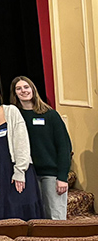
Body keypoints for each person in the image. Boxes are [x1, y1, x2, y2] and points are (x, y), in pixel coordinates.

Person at [0, 79, 44, 220]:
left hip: (20, 170)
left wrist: (19, 171)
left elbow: (22, 142)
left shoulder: (12, 111)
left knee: (23, 213)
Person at [11, 75, 72, 220]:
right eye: (18, 88)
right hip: (27, 174)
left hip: (51, 174)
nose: (23, 91)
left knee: (55, 217)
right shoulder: (14, 116)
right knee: (35, 218)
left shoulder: (50, 115)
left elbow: (64, 147)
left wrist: (62, 177)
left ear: (33, 89)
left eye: (26, 87)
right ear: (14, 93)